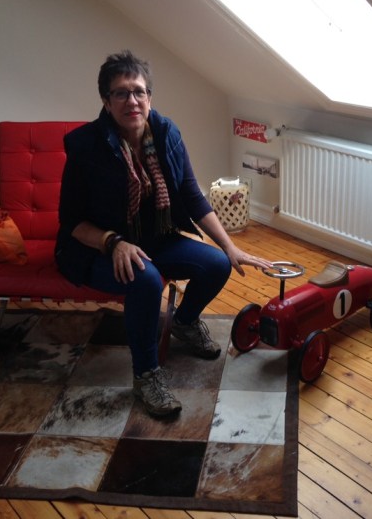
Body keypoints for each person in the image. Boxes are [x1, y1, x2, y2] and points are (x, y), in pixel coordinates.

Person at [55, 50, 271, 417]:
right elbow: (70, 220)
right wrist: (113, 242)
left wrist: (230, 247)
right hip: (95, 248)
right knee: (145, 280)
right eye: (121, 93)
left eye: (138, 91)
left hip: (155, 237)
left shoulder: (167, 134)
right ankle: (146, 375)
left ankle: (184, 323)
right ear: (106, 101)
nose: (132, 101)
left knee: (217, 264)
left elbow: (192, 196)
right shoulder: (86, 146)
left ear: (149, 97)